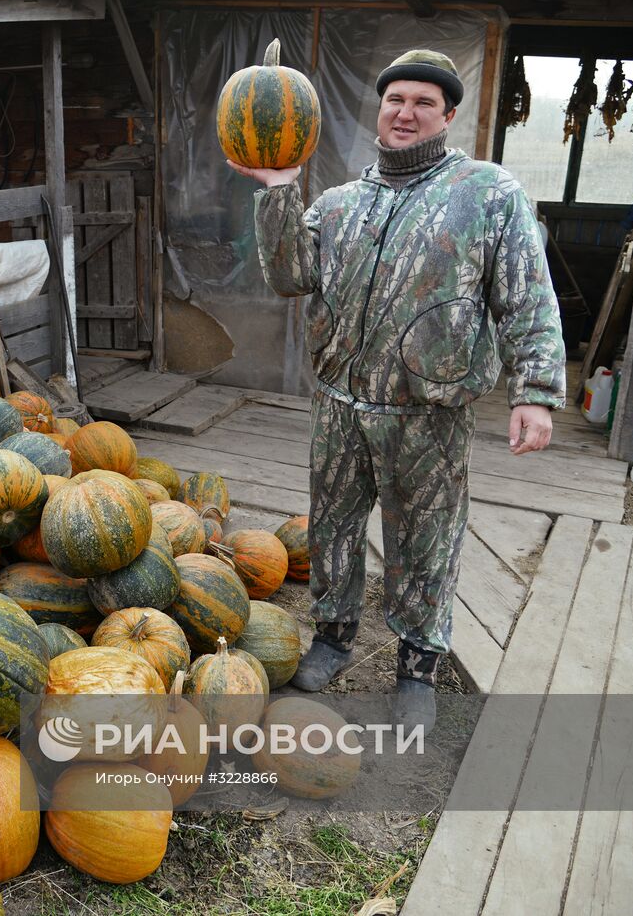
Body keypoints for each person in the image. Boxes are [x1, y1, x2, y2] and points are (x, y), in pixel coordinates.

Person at [228, 49, 566, 733]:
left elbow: (527, 295)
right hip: (340, 404)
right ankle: (332, 633)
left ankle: (418, 661)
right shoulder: (339, 204)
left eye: (423, 102)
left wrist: (536, 390)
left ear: (446, 115)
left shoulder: (487, 194)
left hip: (428, 412)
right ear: (378, 110)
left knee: (425, 539)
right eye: (396, 99)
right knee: (332, 528)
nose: (406, 112)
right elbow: (289, 275)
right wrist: (278, 186)